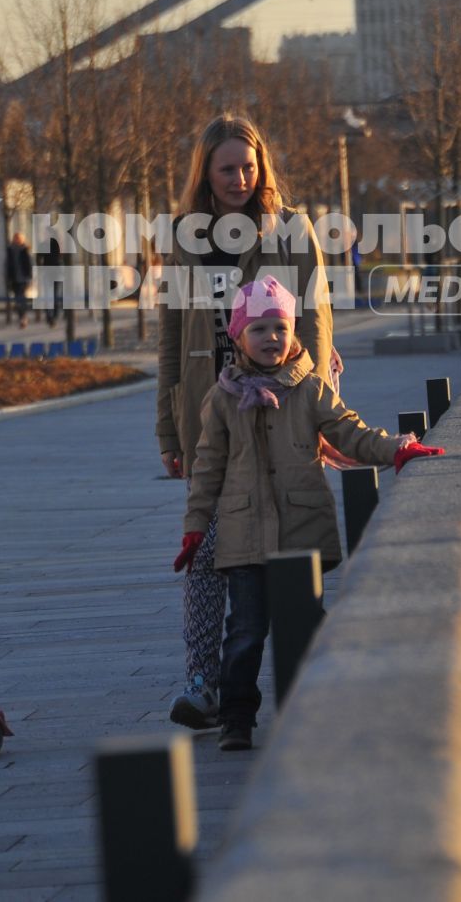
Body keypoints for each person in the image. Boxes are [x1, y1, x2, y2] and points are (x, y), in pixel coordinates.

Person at [174, 277, 440, 750]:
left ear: (293, 332)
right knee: (245, 632)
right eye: (259, 329)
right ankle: (237, 716)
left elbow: (349, 431)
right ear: (239, 337)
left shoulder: (310, 389)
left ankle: (321, 703)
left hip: (301, 529)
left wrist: (395, 450)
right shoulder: (222, 399)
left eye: (280, 327)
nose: (271, 338)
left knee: (309, 624)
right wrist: (196, 530)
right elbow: (207, 468)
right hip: (243, 536)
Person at [157, 114, 334, 732]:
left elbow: (314, 322)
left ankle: (297, 678)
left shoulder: (292, 231)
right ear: (205, 171)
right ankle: (205, 683)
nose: (239, 177)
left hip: (283, 413)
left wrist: (315, 402)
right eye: (227, 167)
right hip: (210, 417)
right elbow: (172, 337)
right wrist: (167, 430)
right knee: (205, 550)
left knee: (280, 551)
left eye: (248, 165)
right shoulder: (184, 235)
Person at [5, 232, 35, 328]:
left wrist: (29, 277)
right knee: (18, 299)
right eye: (15, 238)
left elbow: (29, 264)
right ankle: (22, 317)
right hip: (14, 279)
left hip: (23, 278)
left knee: (21, 298)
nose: (16, 240)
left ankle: (23, 317)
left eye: (18, 238)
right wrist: (7, 277)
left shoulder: (25, 250)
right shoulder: (10, 250)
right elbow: (7, 265)